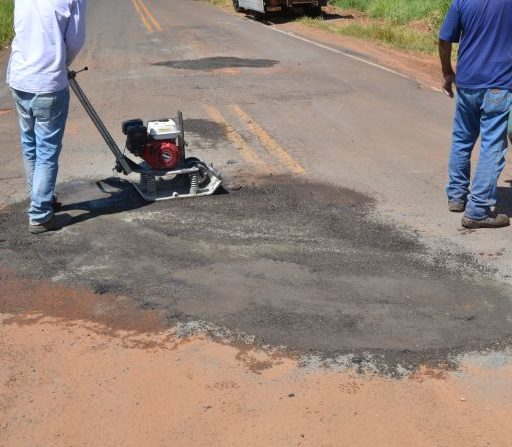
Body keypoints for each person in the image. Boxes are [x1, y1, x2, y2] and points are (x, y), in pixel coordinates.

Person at [7, 0, 87, 234]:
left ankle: (40, 199)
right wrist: (61, 65)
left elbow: (20, 27)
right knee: (46, 150)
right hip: (48, 82)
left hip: (20, 78)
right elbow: (75, 40)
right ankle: (40, 214)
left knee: (30, 144)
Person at [439, 0, 512, 229]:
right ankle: (478, 209)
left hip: (467, 82)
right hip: (499, 85)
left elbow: (444, 39)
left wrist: (447, 72)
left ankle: (457, 197)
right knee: (493, 145)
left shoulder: (462, 1)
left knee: (462, 139)